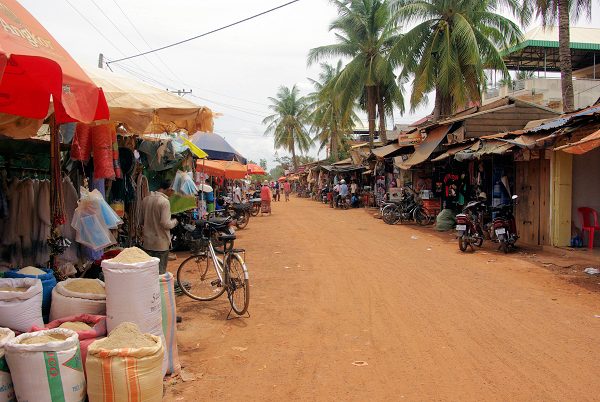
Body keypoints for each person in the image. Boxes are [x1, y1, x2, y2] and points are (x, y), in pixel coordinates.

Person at [140, 179, 177, 274]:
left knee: (149, 274)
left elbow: (141, 221)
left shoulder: (146, 199)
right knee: (160, 274)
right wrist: (175, 222)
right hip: (161, 244)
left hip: (148, 243)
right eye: (173, 191)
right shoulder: (164, 202)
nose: (172, 194)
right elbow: (165, 223)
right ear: (169, 189)